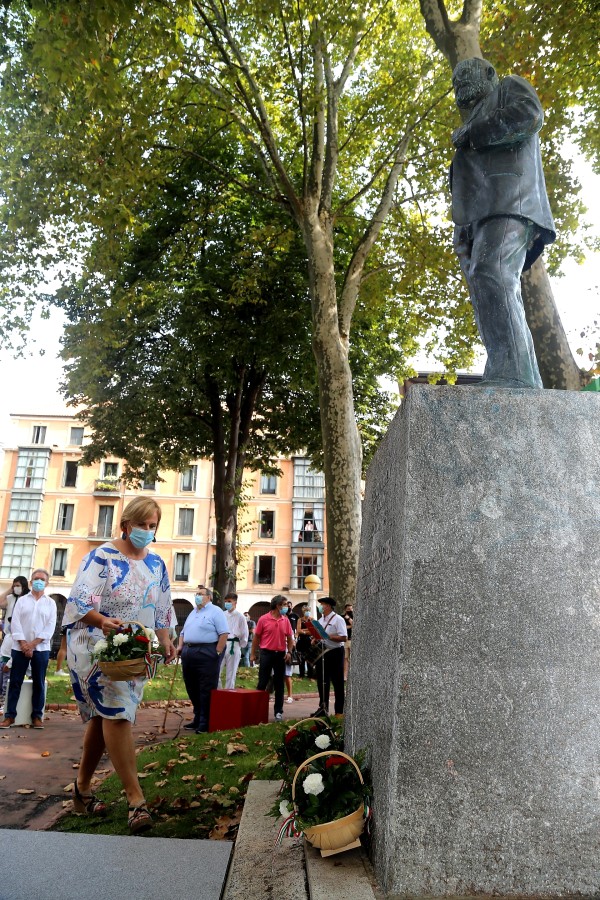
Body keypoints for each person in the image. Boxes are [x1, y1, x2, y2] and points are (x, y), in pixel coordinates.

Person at [60, 497, 176, 834]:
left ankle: (82, 791)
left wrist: (166, 640)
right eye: (141, 525)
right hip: (95, 647)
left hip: (134, 652)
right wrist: (102, 620)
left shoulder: (156, 563)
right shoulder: (102, 556)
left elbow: (162, 608)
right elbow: (79, 602)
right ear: (126, 525)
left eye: (152, 526)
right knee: (117, 713)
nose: (147, 531)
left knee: (103, 719)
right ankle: (136, 800)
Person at [449, 57, 556, 389]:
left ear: (489, 74)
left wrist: (471, 132)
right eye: (455, 81)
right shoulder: (475, 115)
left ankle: (513, 374)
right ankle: (514, 371)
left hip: (510, 201)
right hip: (476, 217)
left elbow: (529, 115)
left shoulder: (508, 87)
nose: (458, 83)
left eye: (465, 76)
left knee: (492, 273)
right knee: (486, 287)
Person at [0, 569, 57, 730]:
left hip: (41, 648)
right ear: (31, 582)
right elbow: (15, 623)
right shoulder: (22, 601)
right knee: (15, 682)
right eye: (36, 578)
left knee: (39, 682)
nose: (39, 581)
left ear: (47, 583)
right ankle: (10, 716)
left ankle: (37, 716)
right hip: (19, 647)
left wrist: (32, 645)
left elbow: (50, 627)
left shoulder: (50, 603)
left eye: (42, 579)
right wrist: (24, 644)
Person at [177, 587, 228, 733]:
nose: (197, 596)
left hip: (207, 651)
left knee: (206, 687)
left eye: (200, 594)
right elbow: (183, 632)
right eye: (196, 594)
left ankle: (206, 722)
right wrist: (180, 646)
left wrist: (217, 652)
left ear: (209, 597)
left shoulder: (216, 611)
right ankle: (198, 717)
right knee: (191, 686)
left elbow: (224, 633)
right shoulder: (193, 612)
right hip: (189, 651)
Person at [250, 595, 294, 722]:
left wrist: (289, 652)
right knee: (262, 682)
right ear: (277, 605)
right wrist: (253, 653)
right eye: (284, 605)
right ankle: (257, 710)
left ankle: (278, 712)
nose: (286, 607)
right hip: (266, 653)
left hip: (280, 655)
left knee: (279, 684)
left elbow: (290, 638)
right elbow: (256, 637)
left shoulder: (285, 620)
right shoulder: (264, 619)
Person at [311, 597, 347, 717]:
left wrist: (328, 636)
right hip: (323, 652)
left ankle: (339, 711)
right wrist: (315, 639)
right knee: (322, 681)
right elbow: (319, 635)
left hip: (336, 652)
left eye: (322, 604)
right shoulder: (320, 620)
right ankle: (323, 708)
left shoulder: (338, 619)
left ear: (329, 606)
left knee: (337, 682)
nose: (320, 607)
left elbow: (343, 637)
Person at [219, 593, 248, 689]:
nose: (227, 603)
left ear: (235, 603)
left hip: (234, 644)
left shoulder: (241, 617)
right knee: (216, 670)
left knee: (231, 673)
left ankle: (229, 692)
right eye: (226, 601)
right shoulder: (222, 615)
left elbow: (244, 633)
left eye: (229, 601)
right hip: (222, 643)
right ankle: (219, 692)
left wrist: (240, 644)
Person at [295, 604, 314, 678]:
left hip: (309, 641)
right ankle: (301, 675)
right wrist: (307, 630)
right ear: (303, 611)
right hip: (301, 641)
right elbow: (298, 630)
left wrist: (303, 631)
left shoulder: (312, 619)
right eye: (306, 610)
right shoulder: (300, 620)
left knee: (310, 659)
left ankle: (310, 676)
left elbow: (313, 631)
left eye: (308, 610)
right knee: (301, 659)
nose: (307, 612)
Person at [343, 603, 353, 681]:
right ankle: (345, 676)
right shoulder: (342, 617)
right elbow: (342, 627)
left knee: (352, 658)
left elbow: (355, 624)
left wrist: (349, 618)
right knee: (345, 659)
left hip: (352, 640)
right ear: (345, 609)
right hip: (345, 641)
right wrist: (350, 626)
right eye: (348, 609)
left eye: (351, 609)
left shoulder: (354, 616)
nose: (350, 610)